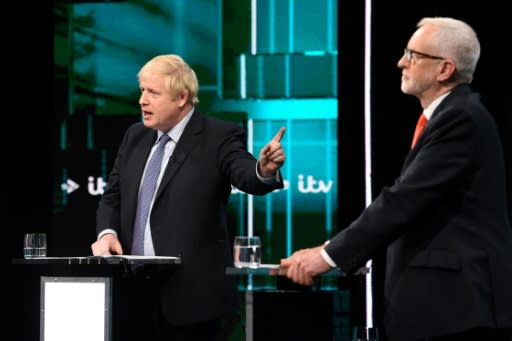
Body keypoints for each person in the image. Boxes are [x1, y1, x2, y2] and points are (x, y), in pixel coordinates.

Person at [280, 17, 512, 341]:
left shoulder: (461, 118)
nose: (401, 62)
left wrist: (327, 255)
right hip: (441, 309)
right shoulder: (449, 116)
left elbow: (402, 201)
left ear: (445, 69)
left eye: (413, 55)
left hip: (455, 310)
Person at [91, 54, 285, 341]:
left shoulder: (218, 135)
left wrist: (264, 169)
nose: (142, 100)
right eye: (142, 90)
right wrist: (107, 233)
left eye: (153, 93)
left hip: (193, 300)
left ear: (181, 98)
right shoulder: (135, 136)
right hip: (134, 298)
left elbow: (246, 175)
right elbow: (113, 196)